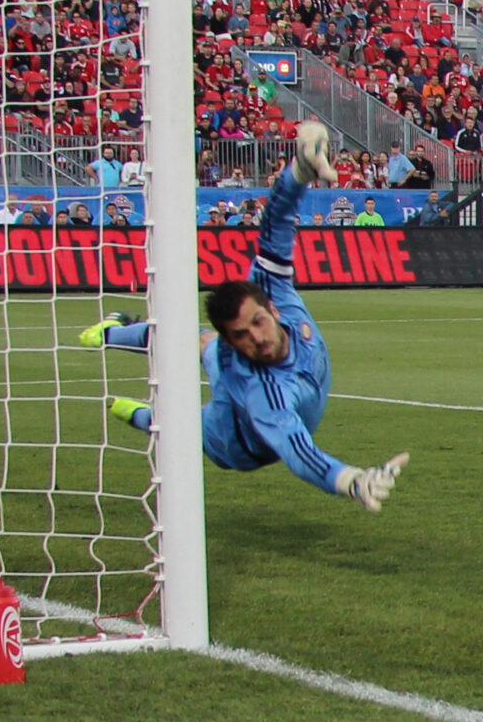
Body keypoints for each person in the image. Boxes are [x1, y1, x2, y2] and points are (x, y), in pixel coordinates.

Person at [78, 121, 407, 511]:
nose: (256, 338)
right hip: (234, 444)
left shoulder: (273, 288)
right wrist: (352, 481)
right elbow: (298, 450)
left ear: (270, 307)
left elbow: (276, 223)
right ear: (233, 342)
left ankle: (118, 342)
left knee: (198, 342)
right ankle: (115, 350)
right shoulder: (264, 391)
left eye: (257, 322)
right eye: (241, 335)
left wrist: (299, 171)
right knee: (179, 421)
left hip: (242, 388)